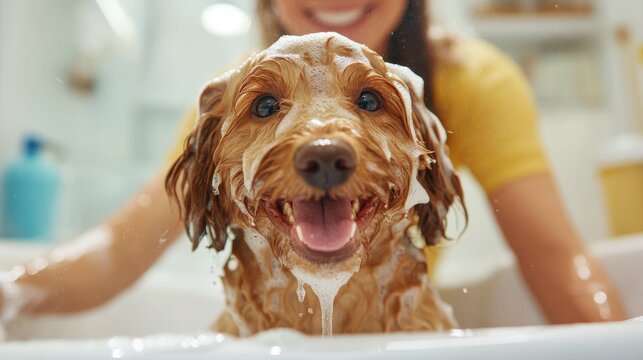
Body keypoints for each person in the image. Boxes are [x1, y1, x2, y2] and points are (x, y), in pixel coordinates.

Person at [0, 0, 626, 331]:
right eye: (268, 107)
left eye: (370, 102)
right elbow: (117, 249)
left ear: (430, 173)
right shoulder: (224, 102)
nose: (323, 148)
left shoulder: (471, 80)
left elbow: (557, 262)